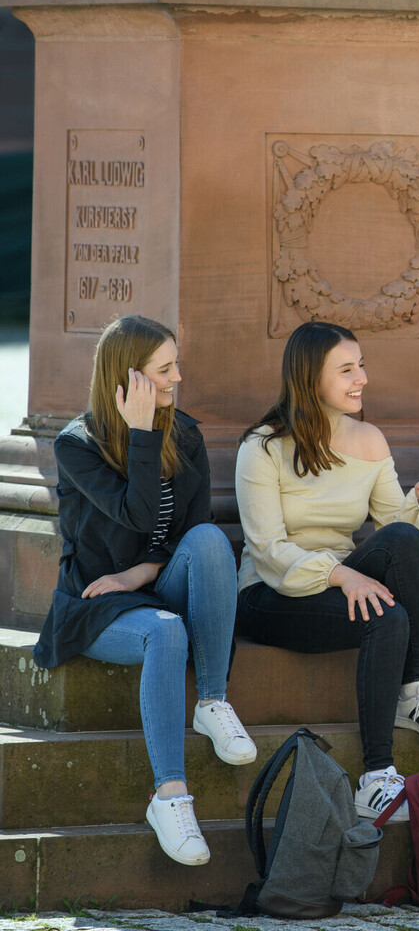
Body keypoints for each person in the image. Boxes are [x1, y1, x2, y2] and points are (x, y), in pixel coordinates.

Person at [33, 315, 256, 867]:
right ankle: (170, 797)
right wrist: (139, 436)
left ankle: (211, 699)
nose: (177, 377)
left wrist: (140, 574)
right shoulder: (76, 446)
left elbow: (192, 529)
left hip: (149, 584)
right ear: (129, 378)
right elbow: (135, 515)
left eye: (176, 364)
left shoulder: (186, 435)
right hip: (99, 606)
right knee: (166, 629)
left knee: (209, 540)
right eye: (164, 369)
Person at [235, 321, 419, 821]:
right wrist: (341, 576)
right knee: (389, 617)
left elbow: (395, 538)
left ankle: (414, 693)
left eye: (360, 365)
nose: (361, 377)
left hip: (340, 583)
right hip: (270, 595)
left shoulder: (370, 439)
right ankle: (381, 775)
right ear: (309, 377)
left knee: (403, 546)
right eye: (346, 369)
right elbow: (269, 550)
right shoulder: (262, 446)